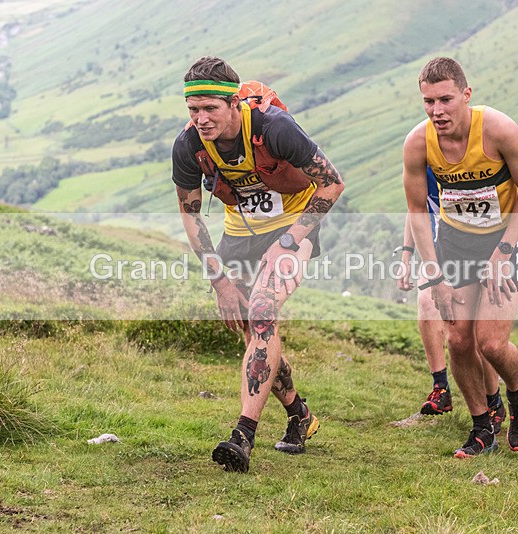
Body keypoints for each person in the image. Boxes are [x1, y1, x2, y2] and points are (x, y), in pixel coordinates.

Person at [172, 57, 345, 472]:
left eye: (210, 108)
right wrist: (220, 284)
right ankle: (299, 415)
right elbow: (191, 216)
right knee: (255, 334)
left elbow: (333, 182)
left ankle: (243, 435)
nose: (201, 119)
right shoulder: (188, 146)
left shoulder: (273, 128)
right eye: (194, 110)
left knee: (264, 312)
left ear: (234, 104)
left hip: (291, 228)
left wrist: (289, 240)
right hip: (240, 232)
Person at [403, 57, 518, 458]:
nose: (437, 110)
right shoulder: (418, 142)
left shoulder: (498, 130)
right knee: (459, 339)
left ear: (466, 94)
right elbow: (416, 211)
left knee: (491, 344)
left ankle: (517, 399)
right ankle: (482, 427)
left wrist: (505, 250)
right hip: (457, 241)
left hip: (504, 238)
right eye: (428, 101)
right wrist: (433, 274)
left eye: (445, 99)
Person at [396, 168, 506, 435]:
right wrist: (407, 255)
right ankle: (441, 387)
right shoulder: (424, 160)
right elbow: (415, 209)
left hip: (482, 248)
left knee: (476, 334)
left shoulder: (477, 162)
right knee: (426, 302)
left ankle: (494, 401)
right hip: (438, 249)